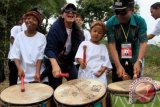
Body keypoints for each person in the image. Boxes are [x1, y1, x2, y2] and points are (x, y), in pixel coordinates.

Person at [44, 3, 83, 106]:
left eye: (73, 11)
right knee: (56, 89)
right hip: (54, 60)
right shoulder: (55, 27)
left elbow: (79, 50)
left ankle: (74, 104)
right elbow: (49, 49)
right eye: (67, 10)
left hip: (68, 61)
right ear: (62, 14)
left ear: (75, 15)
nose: (70, 12)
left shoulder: (77, 31)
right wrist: (54, 65)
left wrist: (81, 60)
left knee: (76, 83)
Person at [106, 0, 148, 82]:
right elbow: (111, 44)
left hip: (135, 57)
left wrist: (139, 61)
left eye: (123, 12)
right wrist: (118, 65)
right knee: (117, 85)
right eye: (116, 12)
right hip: (117, 58)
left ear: (132, 10)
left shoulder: (140, 21)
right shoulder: (110, 23)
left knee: (135, 85)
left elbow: (143, 43)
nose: (119, 16)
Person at [75, 20, 112, 107]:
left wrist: (102, 70)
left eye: (100, 33)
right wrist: (81, 62)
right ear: (90, 31)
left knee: (98, 96)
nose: (96, 34)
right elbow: (78, 56)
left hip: (99, 76)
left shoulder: (103, 47)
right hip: (85, 74)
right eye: (94, 31)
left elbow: (106, 62)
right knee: (84, 95)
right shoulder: (84, 43)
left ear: (103, 36)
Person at [10, 10, 47, 83]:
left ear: (38, 24)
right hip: (23, 73)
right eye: (28, 18)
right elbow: (15, 55)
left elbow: (40, 57)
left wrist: (37, 72)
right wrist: (19, 69)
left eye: (34, 20)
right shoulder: (19, 36)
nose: (30, 21)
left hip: (38, 73)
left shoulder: (42, 37)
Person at [8, 14, 27, 86]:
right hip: (13, 59)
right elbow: (12, 39)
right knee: (13, 79)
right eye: (25, 18)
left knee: (21, 79)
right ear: (21, 20)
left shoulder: (28, 31)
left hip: (23, 60)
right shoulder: (16, 28)